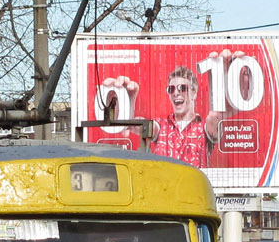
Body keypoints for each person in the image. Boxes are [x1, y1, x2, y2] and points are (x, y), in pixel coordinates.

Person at [98, 50, 241, 168]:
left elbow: (215, 118)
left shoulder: (204, 127)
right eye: (171, 89)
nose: (176, 92)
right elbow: (137, 125)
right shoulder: (161, 126)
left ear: (194, 93)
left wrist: (228, 93)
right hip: (165, 192)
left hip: (195, 194)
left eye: (182, 88)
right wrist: (123, 104)